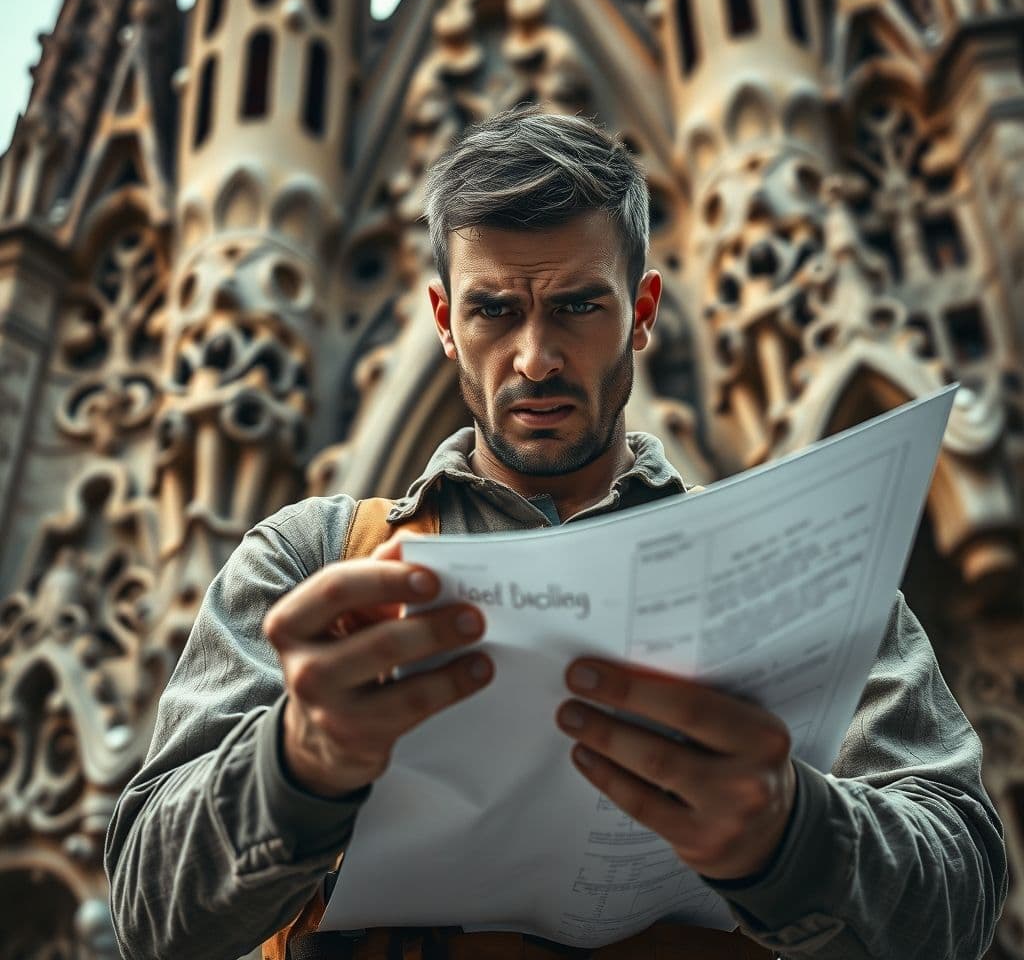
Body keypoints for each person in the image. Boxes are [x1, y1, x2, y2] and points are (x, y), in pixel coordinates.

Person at [105, 107, 1007, 960]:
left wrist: (788, 830)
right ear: (445, 325)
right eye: (494, 310)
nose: (534, 358)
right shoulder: (306, 561)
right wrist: (300, 762)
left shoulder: (792, 567)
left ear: (642, 311)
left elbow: (962, 899)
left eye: (577, 306)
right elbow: (151, 912)